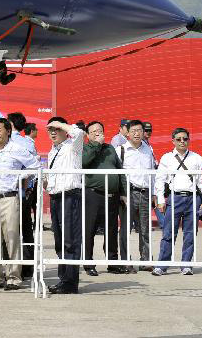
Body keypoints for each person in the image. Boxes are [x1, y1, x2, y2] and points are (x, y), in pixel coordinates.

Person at [0, 118, 41, 291]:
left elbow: (35, 166)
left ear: (8, 131)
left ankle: (14, 277)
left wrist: (20, 177)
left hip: (9, 197)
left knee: (11, 237)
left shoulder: (17, 149)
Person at [153, 127, 202, 276]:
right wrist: (160, 199)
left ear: (189, 140)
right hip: (175, 197)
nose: (182, 142)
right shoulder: (166, 158)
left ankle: (186, 265)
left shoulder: (197, 158)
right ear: (173, 141)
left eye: (185, 139)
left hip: (193, 199)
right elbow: (159, 180)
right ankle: (162, 265)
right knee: (168, 233)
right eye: (178, 139)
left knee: (190, 234)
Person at [45, 117, 85, 294]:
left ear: (63, 130)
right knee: (59, 241)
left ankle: (70, 281)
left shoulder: (72, 146)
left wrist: (61, 124)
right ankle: (64, 279)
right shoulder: (52, 151)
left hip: (70, 196)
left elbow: (79, 133)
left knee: (71, 240)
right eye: (50, 129)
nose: (53, 132)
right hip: (55, 196)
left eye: (56, 129)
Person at [81, 121, 125, 276]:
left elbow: (119, 170)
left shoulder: (110, 148)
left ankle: (112, 263)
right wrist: (96, 145)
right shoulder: (84, 148)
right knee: (89, 229)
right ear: (87, 135)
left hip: (111, 195)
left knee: (112, 230)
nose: (97, 133)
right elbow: (84, 162)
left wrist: (123, 192)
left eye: (100, 130)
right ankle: (88, 263)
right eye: (93, 132)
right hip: (93, 194)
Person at [116, 119, 155, 272]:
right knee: (125, 229)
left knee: (145, 229)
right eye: (133, 131)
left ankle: (145, 260)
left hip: (145, 193)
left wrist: (153, 194)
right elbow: (117, 175)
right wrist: (122, 194)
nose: (137, 133)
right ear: (128, 133)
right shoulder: (121, 150)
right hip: (128, 194)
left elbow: (152, 173)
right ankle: (126, 261)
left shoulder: (148, 149)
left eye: (139, 130)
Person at [7, 111, 38, 279]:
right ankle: (27, 268)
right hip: (25, 192)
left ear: (10, 125)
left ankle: (12, 268)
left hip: (13, 192)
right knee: (26, 229)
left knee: (10, 231)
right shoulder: (28, 142)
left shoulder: (10, 142)